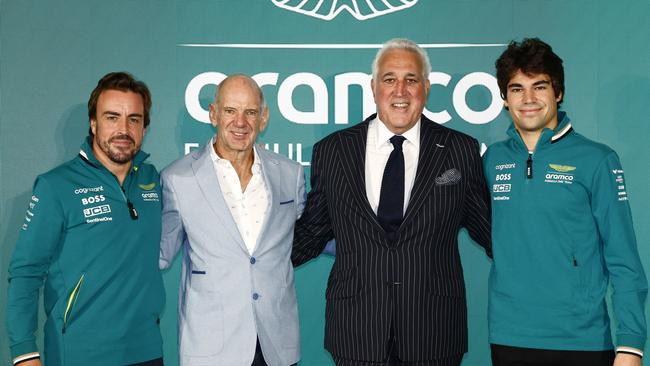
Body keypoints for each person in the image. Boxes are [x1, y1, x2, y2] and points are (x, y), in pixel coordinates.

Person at [292, 38, 492, 366]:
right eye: (389, 79)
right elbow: (311, 235)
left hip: (435, 335)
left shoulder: (460, 150)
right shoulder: (333, 151)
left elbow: (492, 234)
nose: (400, 90)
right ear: (374, 88)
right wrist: (251, 261)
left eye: (411, 79)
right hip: (357, 334)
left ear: (425, 88)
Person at [484, 38, 647, 366]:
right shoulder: (491, 160)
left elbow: (623, 258)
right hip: (508, 337)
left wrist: (631, 344)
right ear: (504, 99)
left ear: (557, 93)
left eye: (539, 86)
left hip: (580, 340)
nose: (528, 99)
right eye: (517, 89)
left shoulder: (597, 160)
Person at [6, 72, 165, 366]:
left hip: (147, 352)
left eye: (134, 119)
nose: (123, 129)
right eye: (112, 117)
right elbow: (26, 273)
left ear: (144, 127)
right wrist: (24, 352)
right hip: (80, 354)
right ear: (93, 123)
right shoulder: (56, 187)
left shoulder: (154, 180)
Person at [159, 74, 305, 366]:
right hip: (211, 347)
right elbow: (159, 255)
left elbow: (310, 235)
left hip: (276, 345)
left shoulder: (290, 174)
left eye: (250, 112)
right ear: (214, 114)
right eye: (230, 111)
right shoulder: (178, 179)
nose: (241, 122)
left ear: (263, 119)